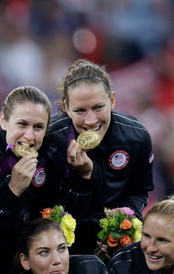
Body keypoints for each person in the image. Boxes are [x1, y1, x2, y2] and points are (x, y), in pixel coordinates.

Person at [0, 86, 91, 274]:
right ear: (3, 121)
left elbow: (69, 213)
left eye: (38, 127)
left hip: (31, 268)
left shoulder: (51, 153)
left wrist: (83, 179)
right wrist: (12, 190)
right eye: (22, 124)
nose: (30, 136)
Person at [47, 60, 154, 255]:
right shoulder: (50, 139)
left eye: (98, 108)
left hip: (115, 243)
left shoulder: (136, 136)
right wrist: (83, 178)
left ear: (112, 100)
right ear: (66, 107)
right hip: (63, 247)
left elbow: (139, 192)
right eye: (80, 111)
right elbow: (42, 206)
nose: (90, 120)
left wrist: (123, 222)